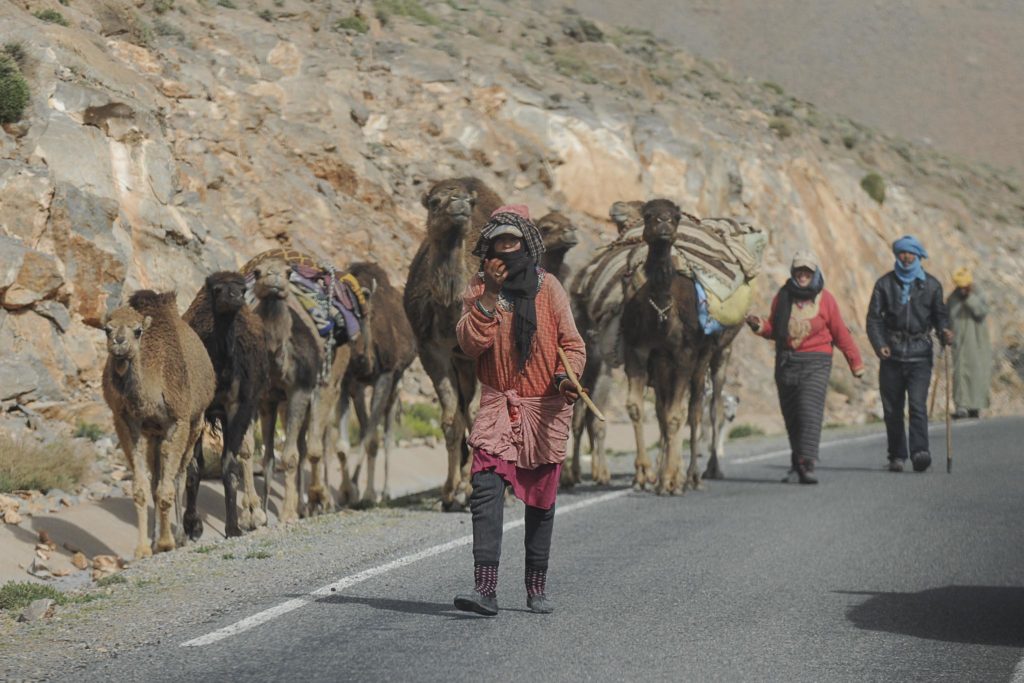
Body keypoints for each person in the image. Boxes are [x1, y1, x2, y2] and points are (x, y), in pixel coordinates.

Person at [453, 204, 586, 617]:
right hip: (497, 404)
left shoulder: (549, 289)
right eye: (498, 243)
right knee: (486, 490)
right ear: (487, 249)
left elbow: (573, 345)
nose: (505, 249)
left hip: (545, 409)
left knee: (541, 502)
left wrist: (568, 379)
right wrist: (491, 296)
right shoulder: (477, 289)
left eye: (512, 241)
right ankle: (485, 590)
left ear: (526, 244)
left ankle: (536, 587)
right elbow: (469, 345)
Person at [745, 251, 864, 484]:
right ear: (793, 272)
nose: (802, 275)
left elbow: (840, 332)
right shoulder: (783, 296)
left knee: (809, 411)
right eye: (799, 271)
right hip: (786, 361)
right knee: (792, 416)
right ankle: (796, 462)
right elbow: (775, 331)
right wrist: (759, 326)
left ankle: (807, 463)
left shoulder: (826, 299)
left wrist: (855, 363)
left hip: (816, 361)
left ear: (814, 273)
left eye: (807, 271)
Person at [866, 235, 953, 473]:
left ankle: (919, 452)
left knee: (917, 406)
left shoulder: (932, 285)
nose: (906, 257)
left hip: (920, 355)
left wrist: (945, 331)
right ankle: (896, 455)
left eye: (910, 253)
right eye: (902, 253)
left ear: (918, 255)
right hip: (891, 355)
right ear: (897, 255)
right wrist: (879, 343)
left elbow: (940, 316)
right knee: (893, 408)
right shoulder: (884, 284)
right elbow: (874, 318)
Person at [947, 267, 992, 419]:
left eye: (964, 287)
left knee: (976, 375)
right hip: (959, 345)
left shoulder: (978, 295)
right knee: (959, 375)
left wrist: (969, 298)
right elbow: (948, 318)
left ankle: (975, 407)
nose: (962, 290)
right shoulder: (952, 299)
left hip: (976, 345)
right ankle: (961, 406)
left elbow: (981, 312)